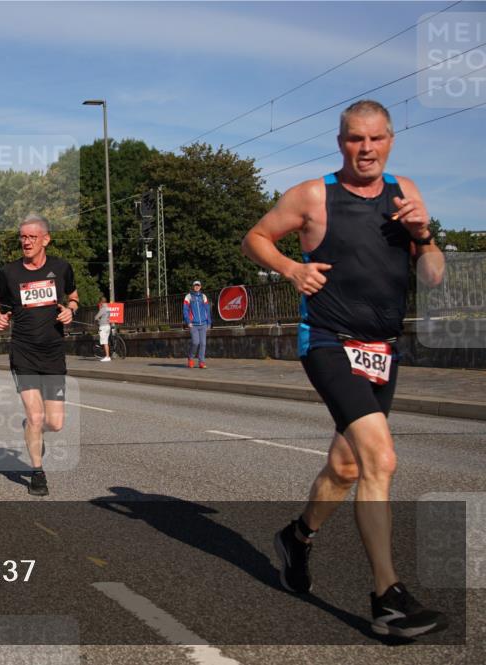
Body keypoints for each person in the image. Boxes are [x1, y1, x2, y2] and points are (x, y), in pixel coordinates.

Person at [242, 100, 446, 638]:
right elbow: (255, 237)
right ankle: (388, 598)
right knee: (380, 456)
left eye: (376, 139)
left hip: (382, 349)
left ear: (391, 141)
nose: (366, 149)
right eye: (356, 139)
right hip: (328, 341)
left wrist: (424, 234)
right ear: (341, 141)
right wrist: (291, 268)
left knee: (348, 467)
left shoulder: (406, 194)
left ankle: (298, 536)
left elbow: (434, 276)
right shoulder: (313, 195)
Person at [0, 214, 79, 497]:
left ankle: (32, 428)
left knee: (55, 423)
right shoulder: (10, 273)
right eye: (22, 237)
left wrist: (70, 310)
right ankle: (38, 472)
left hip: (52, 353)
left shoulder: (61, 268)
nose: (26, 242)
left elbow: (74, 297)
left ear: (45, 240)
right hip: (23, 351)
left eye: (31, 237)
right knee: (37, 416)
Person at [183, 280, 212, 368]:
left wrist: (209, 322)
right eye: (195, 285)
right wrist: (188, 321)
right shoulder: (188, 296)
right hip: (193, 325)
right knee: (196, 342)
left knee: (203, 344)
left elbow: (207, 309)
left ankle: (201, 362)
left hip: (203, 324)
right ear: (193, 286)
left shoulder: (203, 296)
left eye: (198, 285)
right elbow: (185, 310)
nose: (197, 287)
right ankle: (191, 358)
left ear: (200, 286)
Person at [95, 296, 111, 362]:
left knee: (104, 342)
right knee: (106, 341)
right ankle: (107, 355)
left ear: (101, 302)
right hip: (107, 326)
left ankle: (107, 356)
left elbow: (96, 317)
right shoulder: (108, 308)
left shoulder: (103, 309)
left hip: (103, 326)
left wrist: (99, 320)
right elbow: (108, 318)